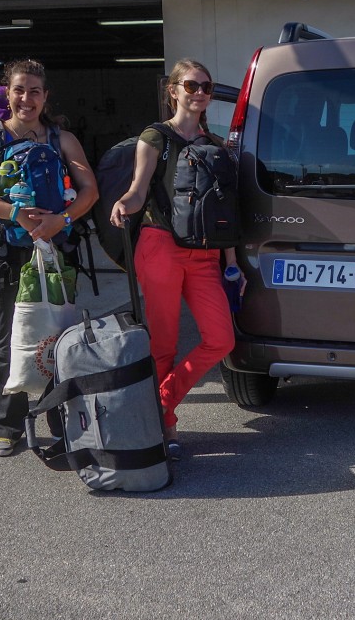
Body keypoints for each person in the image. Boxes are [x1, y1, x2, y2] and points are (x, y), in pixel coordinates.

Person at [0, 59, 99, 458]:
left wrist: (63, 219)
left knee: (56, 336)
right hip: (2, 251)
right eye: (19, 90)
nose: (26, 98)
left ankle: (61, 423)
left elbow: (89, 190)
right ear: (8, 93)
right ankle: (6, 427)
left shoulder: (61, 139)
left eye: (34, 91)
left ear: (45, 96)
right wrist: (12, 212)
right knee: (9, 339)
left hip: (53, 250)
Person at [109, 58, 238, 461]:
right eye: (191, 85)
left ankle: (158, 404)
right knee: (162, 344)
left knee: (221, 339)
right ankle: (166, 426)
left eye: (206, 87)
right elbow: (138, 188)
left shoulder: (216, 146)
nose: (199, 93)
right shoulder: (155, 137)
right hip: (160, 245)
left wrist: (230, 261)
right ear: (173, 90)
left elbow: (225, 210)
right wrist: (124, 204)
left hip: (203, 255)